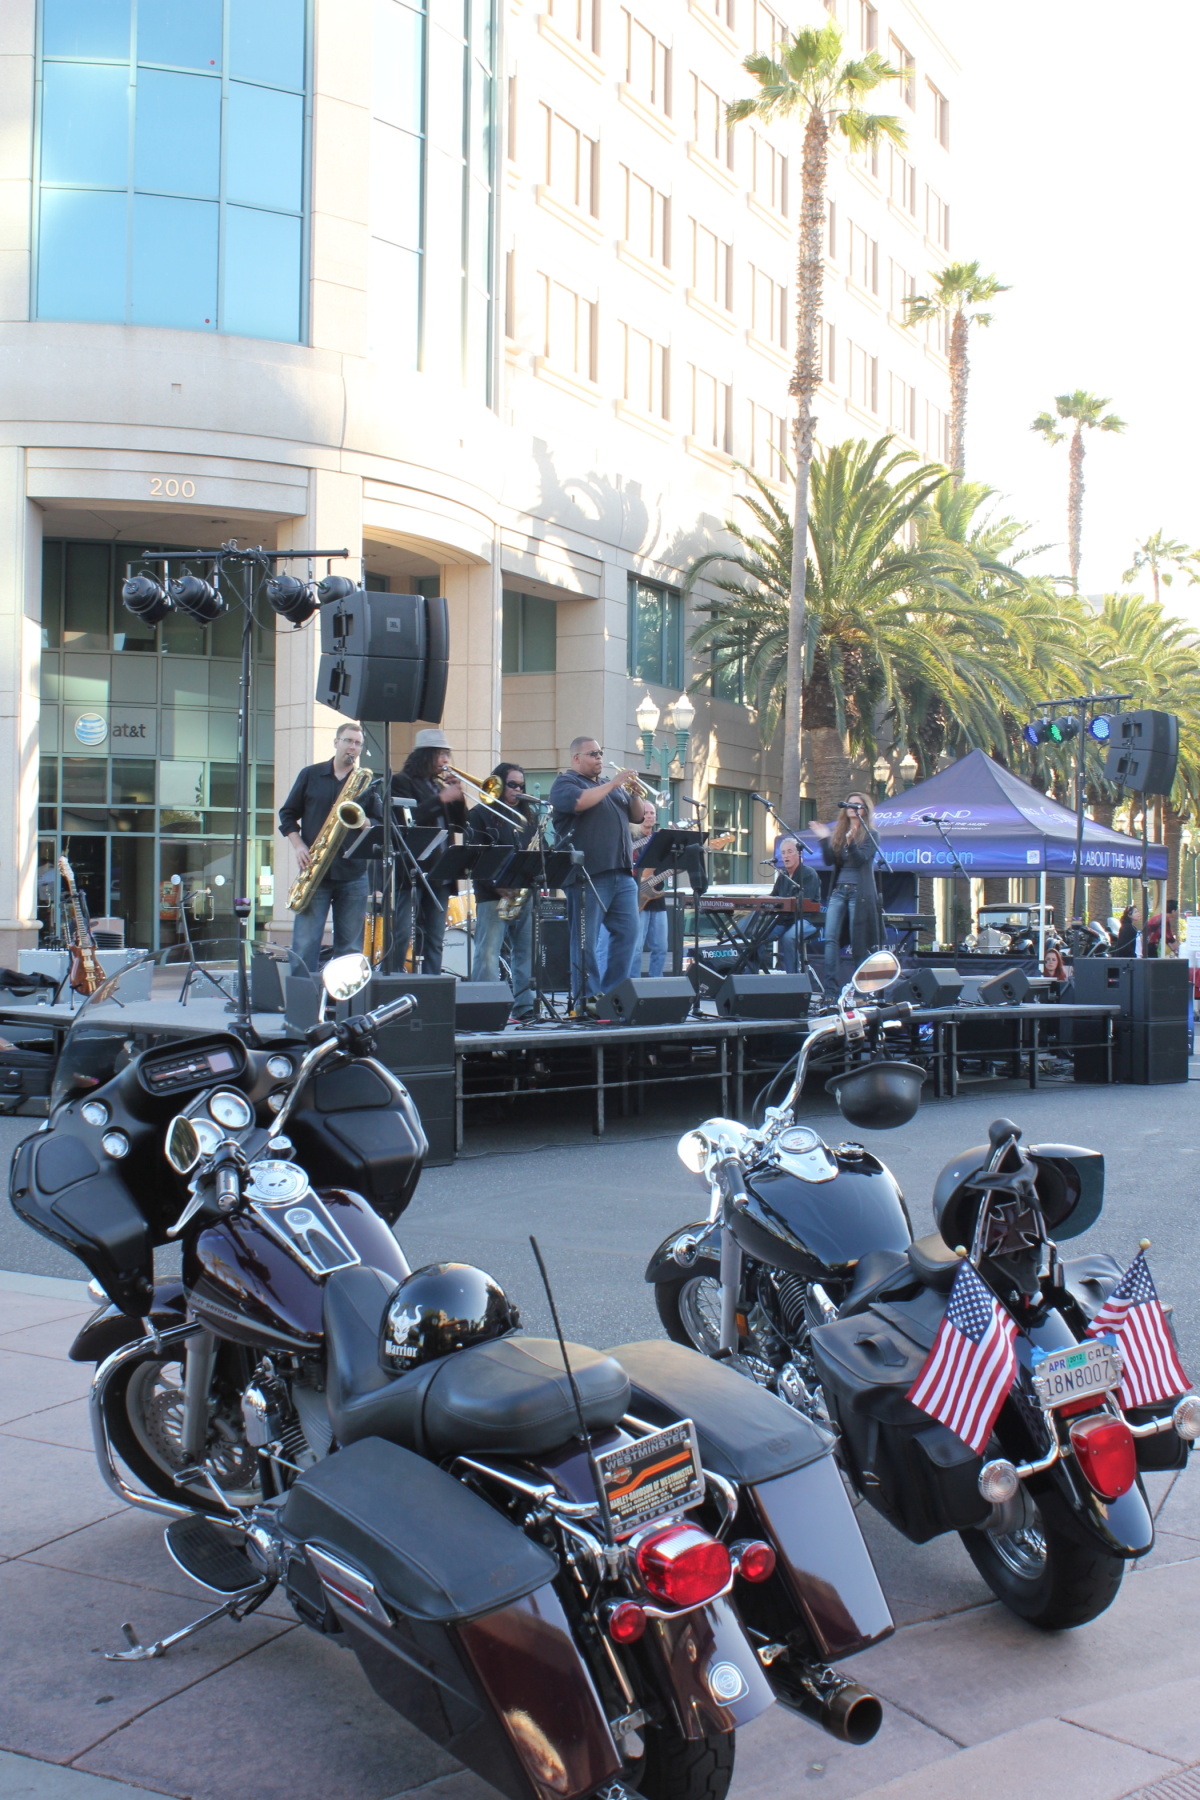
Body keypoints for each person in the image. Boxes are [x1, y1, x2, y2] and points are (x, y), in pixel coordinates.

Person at [549, 738, 645, 1016]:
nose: (600, 758)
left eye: (601, 752)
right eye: (593, 754)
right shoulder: (567, 783)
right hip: (587, 875)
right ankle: (586, 998)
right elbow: (579, 804)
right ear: (576, 758)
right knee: (584, 940)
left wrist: (634, 793)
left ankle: (613, 993)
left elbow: (637, 817)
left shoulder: (609, 787)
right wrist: (614, 783)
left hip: (621, 873)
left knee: (628, 934)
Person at [280, 719, 376, 974]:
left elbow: (380, 822)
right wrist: (299, 846)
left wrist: (365, 820)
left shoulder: (365, 783)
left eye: (358, 744)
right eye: (348, 741)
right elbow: (287, 814)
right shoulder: (310, 775)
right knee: (305, 944)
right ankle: (302, 1007)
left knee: (351, 947)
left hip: (353, 873)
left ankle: (345, 1006)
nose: (353, 748)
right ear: (336, 742)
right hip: (316, 870)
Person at [391, 728, 467, 976]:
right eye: (441, 754)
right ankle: (393, 981)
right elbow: (406, 821)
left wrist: (458, 798)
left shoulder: (438, 786)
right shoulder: (402, 782)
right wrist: (442, 800)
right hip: (413, 870)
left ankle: (433, 988)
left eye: (447, 754)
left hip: (442, 872)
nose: (446, 760)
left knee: (435, 938)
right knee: (402, 934)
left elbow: (461, 825)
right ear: (426, 755)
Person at [466, 762, 537, 1021]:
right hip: (493, 894)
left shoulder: (530, 817)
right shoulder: (480, 814)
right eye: (513, 785)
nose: (518, 790)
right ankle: (482, 1008)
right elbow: (474, 858)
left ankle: (525, 1007)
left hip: (524, 892)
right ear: (498, 783)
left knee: (525, 953)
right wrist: (496, 885)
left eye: (521, 785)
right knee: (487, 953)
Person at [812, 792, 883, 986]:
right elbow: (829, 861)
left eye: (856, 805)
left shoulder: (871, 834)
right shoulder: (840, 832)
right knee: (830, 939)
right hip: (839, 891)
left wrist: (851, 844)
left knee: (858, 942)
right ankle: (831, 989)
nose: (851, 807)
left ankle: (861, 989)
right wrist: (824, 839)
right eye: (849, 804)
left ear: (864, 810)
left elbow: (861, 860)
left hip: (858, 893)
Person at [761, 835, 821, 973]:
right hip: (785, 921)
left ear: (799, 853)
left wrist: (781, 901)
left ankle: (793, 978)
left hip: (807, 920)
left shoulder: (809, 874)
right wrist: (764, 899)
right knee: (759, 937)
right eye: (783, 853)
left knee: (789, 938)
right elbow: (774, 896)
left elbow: (807, 902)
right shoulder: (783, 876)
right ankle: (750, 975)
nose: (786, 856)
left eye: (790, 851)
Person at [632, 802, 669, 978]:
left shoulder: (660, 841)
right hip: (638, 898)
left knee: (661, 947)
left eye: (652, 813)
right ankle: (633, 984)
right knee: (636, 948)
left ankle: (656, 983)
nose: (649, 816)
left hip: (658, 898)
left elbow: (670, 866)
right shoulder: (632, 838)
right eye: (646, 813)